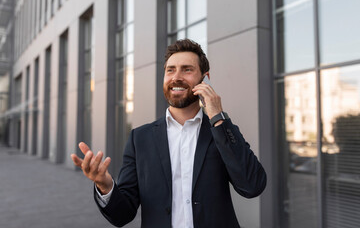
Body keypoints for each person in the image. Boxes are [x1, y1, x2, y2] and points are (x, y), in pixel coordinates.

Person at [71, 39, 267, 228]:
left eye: (187, 69)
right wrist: (105, 185)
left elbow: (252, 186)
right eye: (170, 70)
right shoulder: (140, 138)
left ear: (205, 78)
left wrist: (217, 116)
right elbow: (123, 215)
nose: (176, 77)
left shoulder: (221, 131)